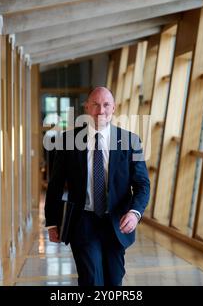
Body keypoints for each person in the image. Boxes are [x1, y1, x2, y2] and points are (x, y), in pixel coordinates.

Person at [44, 87, 150, 286]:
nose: (100, 111)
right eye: (95, 104)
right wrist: (52, 221)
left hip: (117, 222)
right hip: (83, 222)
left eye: (106, 105)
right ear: (86, 107)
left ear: (114, 108)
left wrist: (135, 213)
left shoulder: (130, 141)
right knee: (91, 279)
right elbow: (55, 185)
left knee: (114, 280)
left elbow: (142, 184)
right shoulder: (67, 141)